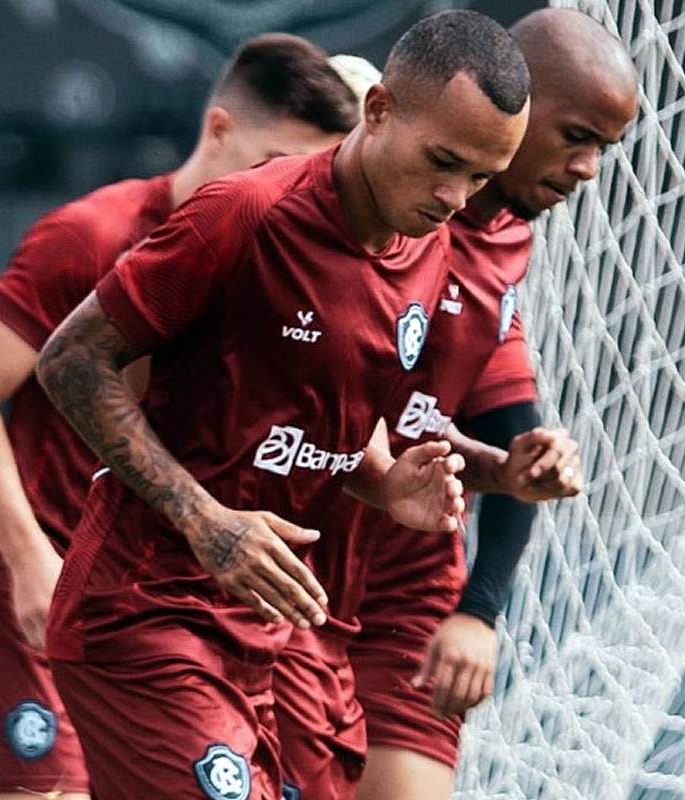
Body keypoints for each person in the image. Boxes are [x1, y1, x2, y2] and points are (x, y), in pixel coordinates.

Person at [34, 10, 532, 799]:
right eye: (443, 161)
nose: (454, 196)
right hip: (144, 614)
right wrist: (205, 521)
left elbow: (335, 416)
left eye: (480, 176)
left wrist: (385, 481)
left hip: (265, 632)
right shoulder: (246, 213)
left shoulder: (429, 246)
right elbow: (71, 360)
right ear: (378, 111)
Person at [0, 33, 362, 800]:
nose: (287, 189)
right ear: (218, 129)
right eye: (273, 163)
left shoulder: (285, 267)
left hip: (157, 607)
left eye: (306, 175)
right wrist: (30, 560)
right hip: (35, 581)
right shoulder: (92, 234)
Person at [350, 10, 641, 800]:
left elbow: (510, 433)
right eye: (577, 137)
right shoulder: (356, 212)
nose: (588, 169)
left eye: (604, 150)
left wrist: (478, 609)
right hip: (289, 556)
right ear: (515, 100)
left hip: (405, 586)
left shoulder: (508, 241)